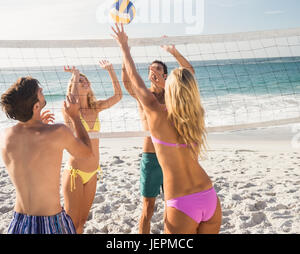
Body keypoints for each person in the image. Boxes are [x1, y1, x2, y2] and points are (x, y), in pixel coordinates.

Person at [112, 24, 222, 234]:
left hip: (183, 203)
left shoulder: (156, 113)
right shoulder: (196, 114)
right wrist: (173, 54)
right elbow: (188, 78)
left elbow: (134, 80)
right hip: (209, 196)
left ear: (167, 84)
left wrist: (125, 48)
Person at [0, 76, 93, 234]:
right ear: (36, 106)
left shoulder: (5, 136)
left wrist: (37, 124)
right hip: (50, 222)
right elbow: (87, 152)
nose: (43, 91)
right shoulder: (57, 132)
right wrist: (75, 117)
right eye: (40, 92)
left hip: (19, 222)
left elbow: (30, 146)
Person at [122, 44, 195, 234]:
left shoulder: (173, 94)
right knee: (148, 208)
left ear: (165, 75)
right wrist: (125, 54)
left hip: (172, 157)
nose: (153, 71)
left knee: (171, 207)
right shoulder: (144, 96)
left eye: (158, 68)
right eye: (150, 69)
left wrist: (174, 52)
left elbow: (190, 73)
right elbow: (128, 82)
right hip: (151, 157)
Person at [62, 61, 122, 234]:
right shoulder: (70, 110)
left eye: (85, 79)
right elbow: (72, 100)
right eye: (80, 81)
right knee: (71, 223)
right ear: (73, 86)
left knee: (82, 222)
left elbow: (118, 96)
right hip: (75, 173)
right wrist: (75, 75)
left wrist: (111, 70)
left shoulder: (95, 108)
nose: (84, 81)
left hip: (93, 172)